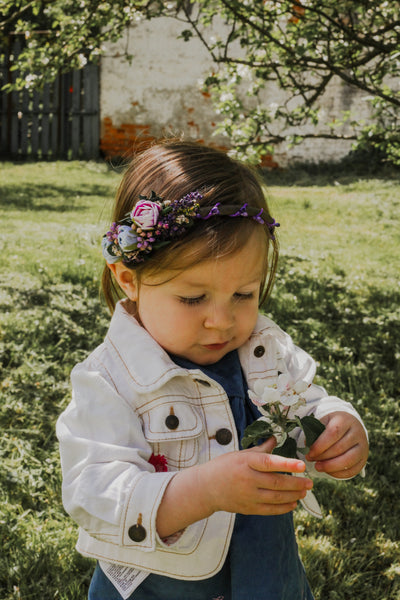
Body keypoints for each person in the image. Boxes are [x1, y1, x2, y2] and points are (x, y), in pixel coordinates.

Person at [57, 141, 369, 600]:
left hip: (267, 578)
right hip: (158, 589)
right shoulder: (110, 380)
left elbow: (307, 400)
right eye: (192, 298)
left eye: (243, 294)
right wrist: (202, 491)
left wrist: (338, 427)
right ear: (129, 278)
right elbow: (94, 491)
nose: (221, 321)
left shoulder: (264, 350)